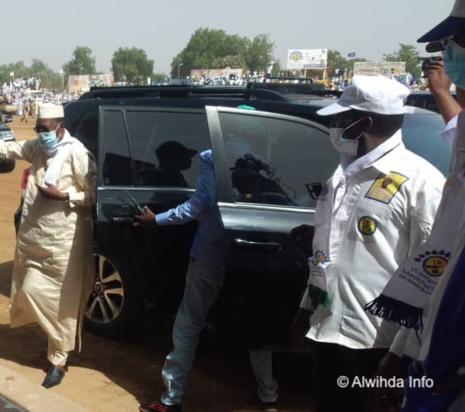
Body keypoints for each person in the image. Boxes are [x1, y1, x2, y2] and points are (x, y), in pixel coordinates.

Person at [288, 75, 445, 412]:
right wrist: (307, 307)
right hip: (328, 330)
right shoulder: (343, 175)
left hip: (377, 344)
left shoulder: (422, 184)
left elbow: (429, 279)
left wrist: (398, 353)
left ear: (365, 122)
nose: (335, 125)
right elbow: (327, 253)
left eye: (341, 118)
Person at [134, 107, 279, 412]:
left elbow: (198, 204)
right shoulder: (262, 160)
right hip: (251, 252)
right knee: (255, 324)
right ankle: (269, 393)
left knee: (188, 324)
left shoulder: (211, 157)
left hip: (211, 251)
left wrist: (156, 219)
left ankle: (171, 398)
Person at [0, 103, 96, 389]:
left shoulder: (77, 153)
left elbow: (94, 193)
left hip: (64, 242)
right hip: (34, 240)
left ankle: (59, 359)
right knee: (30, 290)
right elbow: (7, 149)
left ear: (60, 128)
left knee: (62, 305)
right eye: (38, 129)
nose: (40, 134)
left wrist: (65, 196)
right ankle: (55, 344)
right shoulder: (37, 149)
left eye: (45, 130)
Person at [366, 4, 465, 410]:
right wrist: (404, 351)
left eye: (454, 44)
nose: (447, 55)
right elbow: (438, 266)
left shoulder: (415, 176)